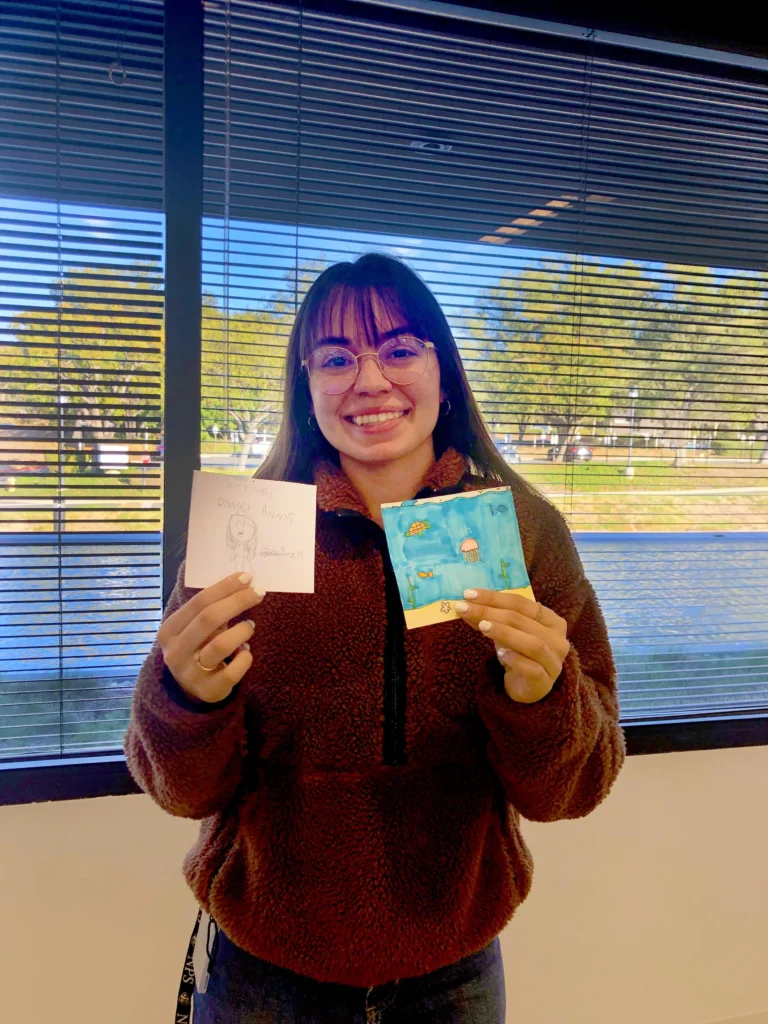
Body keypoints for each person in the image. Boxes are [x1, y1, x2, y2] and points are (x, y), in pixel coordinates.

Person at [125, 252, 625, 1023]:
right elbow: (181, 789)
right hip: (264, 972)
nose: (369, 380)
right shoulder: (249, 536)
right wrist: (185, 702)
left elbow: (574, 790)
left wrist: (541, 698)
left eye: (398, 348)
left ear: (444, 371)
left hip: (452, 975)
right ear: (305, 384)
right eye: (335, 357)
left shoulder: (523, 536)